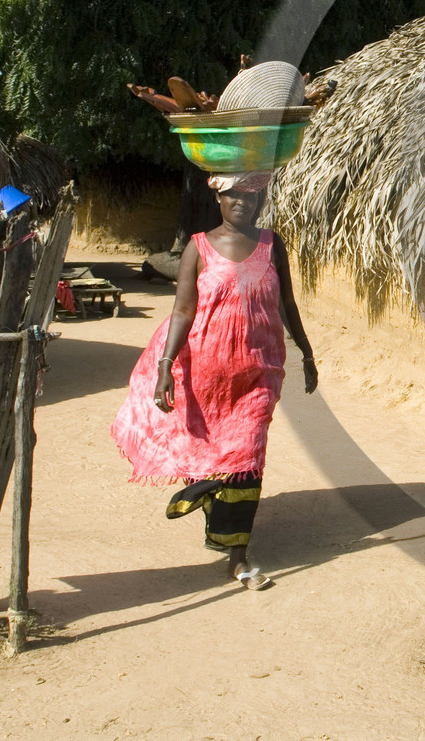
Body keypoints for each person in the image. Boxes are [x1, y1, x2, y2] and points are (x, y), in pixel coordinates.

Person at [110, 170, 316, 590]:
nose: (242, 202)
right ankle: (209, 489)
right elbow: (183, 310)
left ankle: (238, 558)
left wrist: (307, 353)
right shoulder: (198, 247)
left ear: (260, 202)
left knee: (249, 453)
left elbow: (287, 303)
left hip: (259, 370)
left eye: (251, 196)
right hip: (205, 372)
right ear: (218, 199)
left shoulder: (272, 244)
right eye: (233, 195)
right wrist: (165, 365)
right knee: (213, 453)